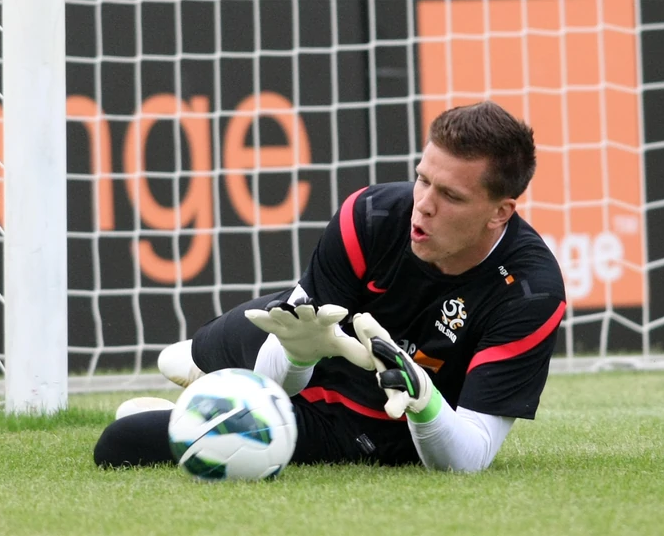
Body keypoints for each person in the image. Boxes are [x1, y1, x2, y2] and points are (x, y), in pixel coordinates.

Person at [93, 100, 566, 472]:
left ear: (499, 212)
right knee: (179, 357)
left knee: (124, 441)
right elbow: (284, 364)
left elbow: (471, 456)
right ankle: (209, 383)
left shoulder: (531, 292)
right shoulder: (371, 216)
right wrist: (298, 353)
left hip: (371, 420)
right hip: (314, 349)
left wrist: (423, 399)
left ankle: (199, 409)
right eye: (422, 179)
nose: (423, 204)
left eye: (450, 196)